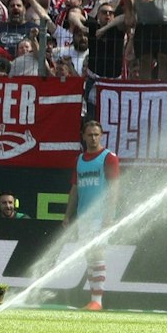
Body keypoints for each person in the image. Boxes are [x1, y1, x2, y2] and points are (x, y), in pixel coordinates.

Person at [66, 119, 121, 310]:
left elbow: (114, 188)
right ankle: (93, 299)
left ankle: (97, 301)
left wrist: (109, 216)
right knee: (90, 257)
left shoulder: (109, 157)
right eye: (89, 135)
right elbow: (75, 189)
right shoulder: (79, 160)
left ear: (101, 135)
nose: (93, 138)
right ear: (83, 136)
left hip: (101, 216)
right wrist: (68, 215)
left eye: (96, 134)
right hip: (84, 217)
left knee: (97, 254)